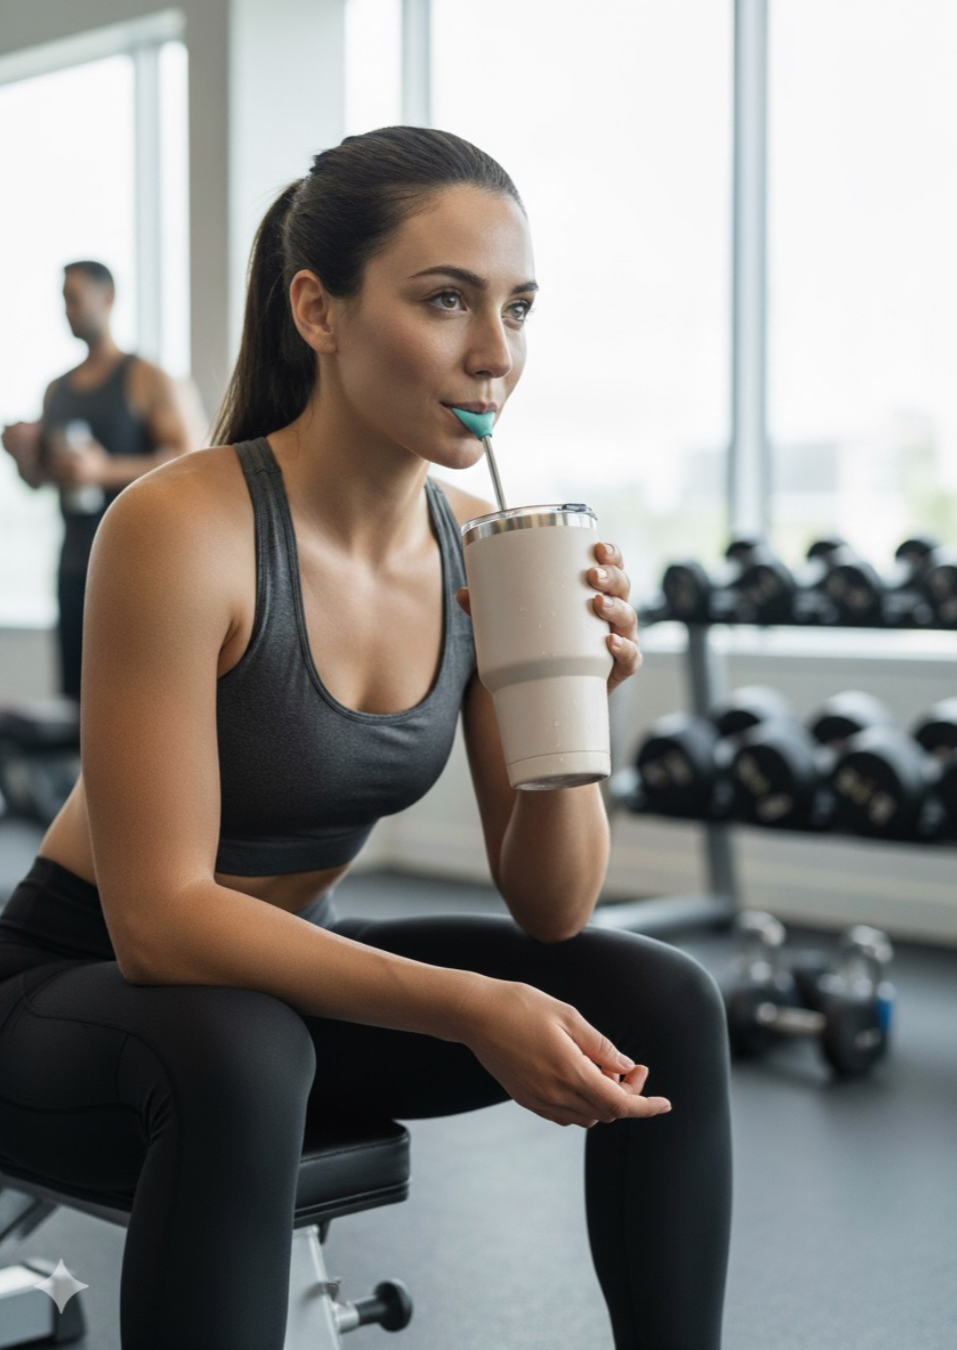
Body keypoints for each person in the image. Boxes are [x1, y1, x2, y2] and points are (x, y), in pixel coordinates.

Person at [0, 128, 732, 1350]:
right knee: (235, 1048)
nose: (494, 355)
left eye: (517, 308)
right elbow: (162, 919)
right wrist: (465, 1007)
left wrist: (570, 701)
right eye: (445, 301)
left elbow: (551, 907)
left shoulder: (481, 545)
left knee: (659, 995)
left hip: (281, 997)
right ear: (317, 311)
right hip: (79, 995)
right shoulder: (183, 528)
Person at [1, 260, 194, 699]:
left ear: (106, 299)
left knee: (134, 699)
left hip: (138, 567)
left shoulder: (146, 378)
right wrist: (22, 457)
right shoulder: (57, 389)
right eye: (62, 299)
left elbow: (187, 458)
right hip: (74, 565)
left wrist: (103, 470)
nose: (66, 309)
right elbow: (41, 480)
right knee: (76, 702)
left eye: (74, 298)